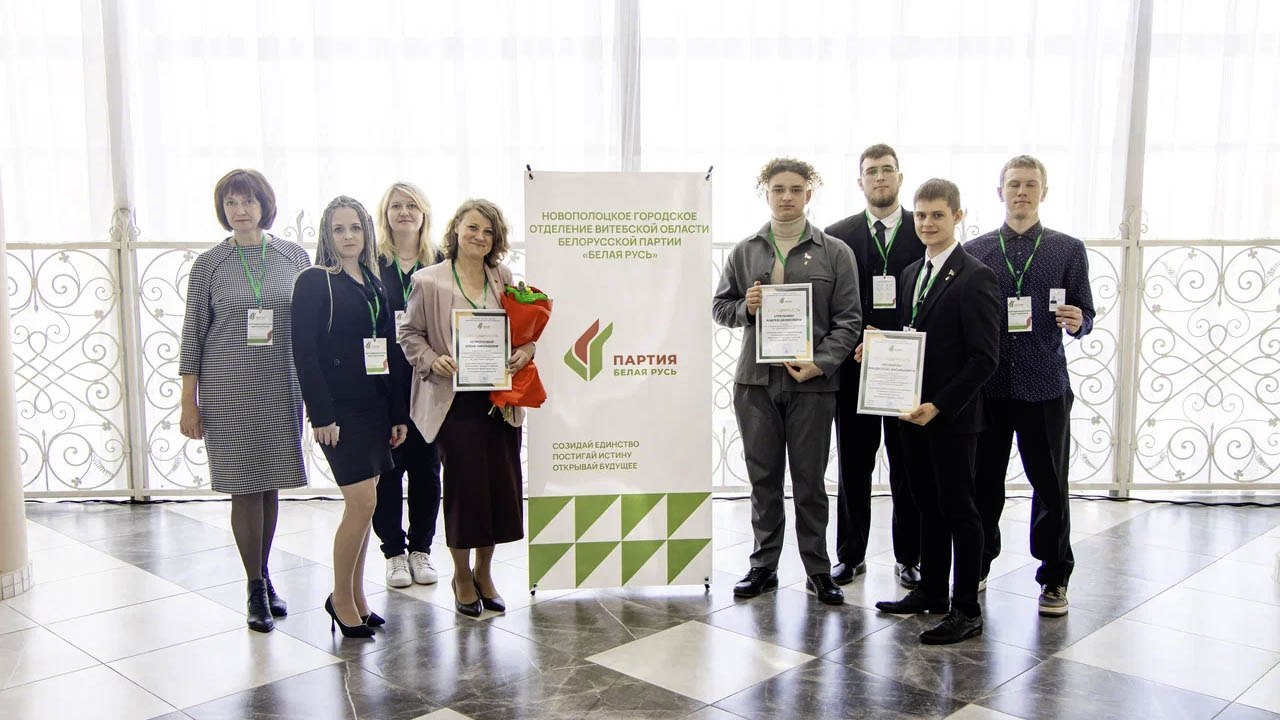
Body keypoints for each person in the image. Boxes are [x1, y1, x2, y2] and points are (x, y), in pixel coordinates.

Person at [712, 158, 861, 606]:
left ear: (808, 194)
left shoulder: (835, 252)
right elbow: (720, 308)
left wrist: (821, 363)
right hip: (756, 384)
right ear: (767, 193)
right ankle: (764, 566)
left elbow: (849, 321)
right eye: (778, 189)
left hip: (812, 385)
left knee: (810, 481)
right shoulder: (745, 251)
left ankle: (818, 569)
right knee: (764, 480)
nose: (787, 197)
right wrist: (747, 307)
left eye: (796, 189)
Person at [179, 169, 311, 633]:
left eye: (248, 201)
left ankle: (265, 572)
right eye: (231, 203)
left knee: (270, 483)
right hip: (228, 388)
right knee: (244, 487)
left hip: (280, 384)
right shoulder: (210, 264)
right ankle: (254, 585)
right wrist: (189, 402)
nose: (240, 210)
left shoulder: (294, 257)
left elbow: (310, 323)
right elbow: (192, 334)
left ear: (264, 205)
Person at [871, 178, 1000, 645]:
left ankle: (966, 608)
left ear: (958, 217)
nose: (927, 223)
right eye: (921, 215)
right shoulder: (910, 273)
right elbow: (911, 338)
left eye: (938, 215)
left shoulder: (976, 277)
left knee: (960, 511)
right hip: (910, 413)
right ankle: (930, 591)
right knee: (925, 503)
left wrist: (940, 404)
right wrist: (878, 348)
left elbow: (985, 358)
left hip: (951, 418)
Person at [967, 155, 1094, 616]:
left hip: (1044, 385)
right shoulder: (976, 251)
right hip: (988, 387)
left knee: (1050, 485)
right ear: (1000, 191)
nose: (1022, 192)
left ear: (1044, 191)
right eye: (1014, 184)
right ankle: (977, 564)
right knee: (983, 483)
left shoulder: (1068, 249)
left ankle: (1054, 577)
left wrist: (1079, 321)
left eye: (1030, 184)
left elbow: (1085, 314)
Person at [398, 199, 532, 617]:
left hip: (499, 400)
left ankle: (484, 573)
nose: (480, 237)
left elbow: (522, 331)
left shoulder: (503, 277)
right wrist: (430, 359)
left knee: (499, 489)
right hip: (453, 401)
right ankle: (461, 575)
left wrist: (526, 350)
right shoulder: (428, 280)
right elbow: (409, 334)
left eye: (489, 231)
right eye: (473, 227)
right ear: (456, 228)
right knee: (464, 491)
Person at [292, 195, 409, 638]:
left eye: (355, 228)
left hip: (374, 405)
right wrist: (321, 414)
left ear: (367, 232)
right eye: (339, 229)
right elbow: (305, 353)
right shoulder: (315, 281)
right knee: (361, 504)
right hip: (339, 410)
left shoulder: (374, 282)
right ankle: (340, 599)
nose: (348, 236)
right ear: (327, 234)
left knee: (367, 504)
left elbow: (388, 351)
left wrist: (396, 413)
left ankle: (357, 597)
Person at [824, 144, 925, 589]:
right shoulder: (837, 235)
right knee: (853, 466)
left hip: (907, 369)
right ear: (860, 181)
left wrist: (898, 342)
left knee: (908, 466)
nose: (879, 177)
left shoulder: (923, 228)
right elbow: (828, 304)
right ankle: (850, 556)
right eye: (871, 171)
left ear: (900, 177)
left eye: (887, 170)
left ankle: (909, 557)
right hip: (854, 367)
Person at [373, 181, 444, 588]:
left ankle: (421, 549)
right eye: (396, 206)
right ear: (385, 214)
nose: (403, 212)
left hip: (430, 378)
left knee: (426, 468)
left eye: (411, 206)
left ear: (423, 213)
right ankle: (394, 554)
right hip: (385, 380)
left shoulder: (440, 261)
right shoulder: (371, 262)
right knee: (388, 470)